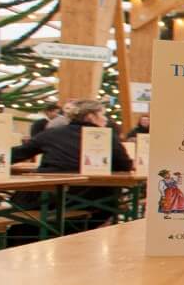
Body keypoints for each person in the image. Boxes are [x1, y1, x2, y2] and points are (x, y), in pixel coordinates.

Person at [8, 98, 133, 244]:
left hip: (44, 199)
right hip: (93, 200)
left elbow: (15, 154)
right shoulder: (104, 137)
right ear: (90, 116)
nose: (105, 119)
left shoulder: (51, 134)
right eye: (102, 115)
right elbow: (124, 165)